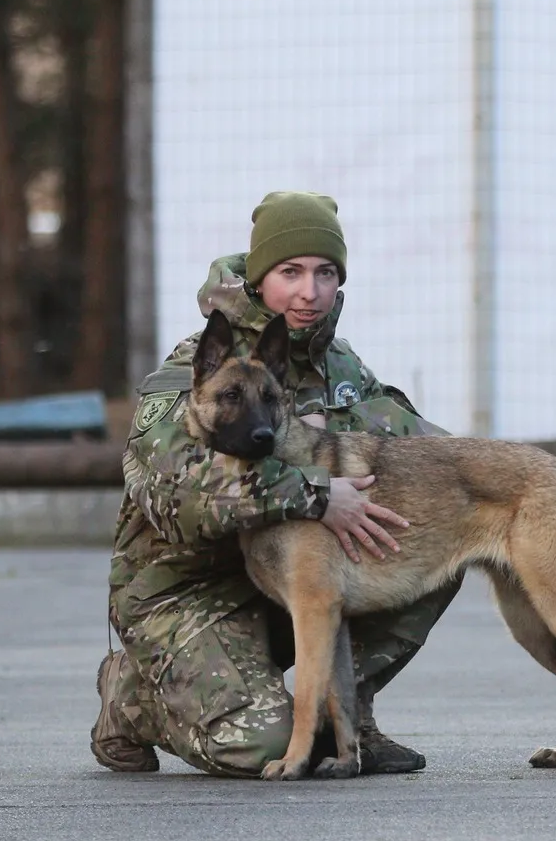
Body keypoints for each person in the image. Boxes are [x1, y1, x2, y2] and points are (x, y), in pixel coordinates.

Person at [91, 191, 460, 777]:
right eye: (290, 272)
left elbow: (429, 456)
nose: (308, 292)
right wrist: (314, 492)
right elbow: (179, 489)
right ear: (260, 277)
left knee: (443, 532)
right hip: (189, 592)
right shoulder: (195, 367)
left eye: (325, 273)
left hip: (292, 576)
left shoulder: (343, 370)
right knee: (265, 748)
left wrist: (515, 488)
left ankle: (347, 714)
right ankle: (135, 699)